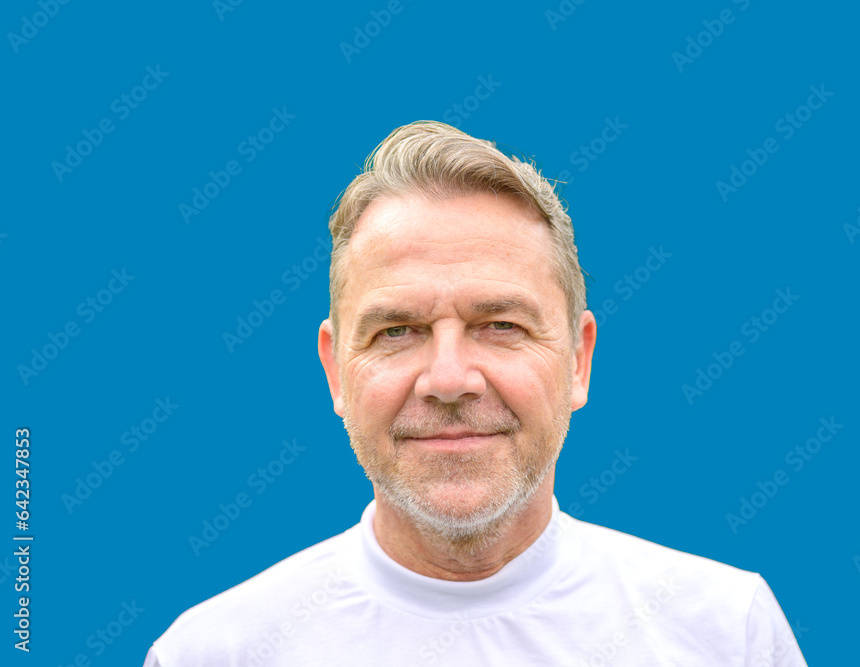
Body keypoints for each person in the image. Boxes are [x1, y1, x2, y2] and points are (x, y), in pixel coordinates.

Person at [142, 121, 808, 666]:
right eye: (397, 331)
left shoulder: (727, 633)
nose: (449, 379)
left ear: (579, 360)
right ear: (336, 370)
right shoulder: (214, 653)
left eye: (501, 325)